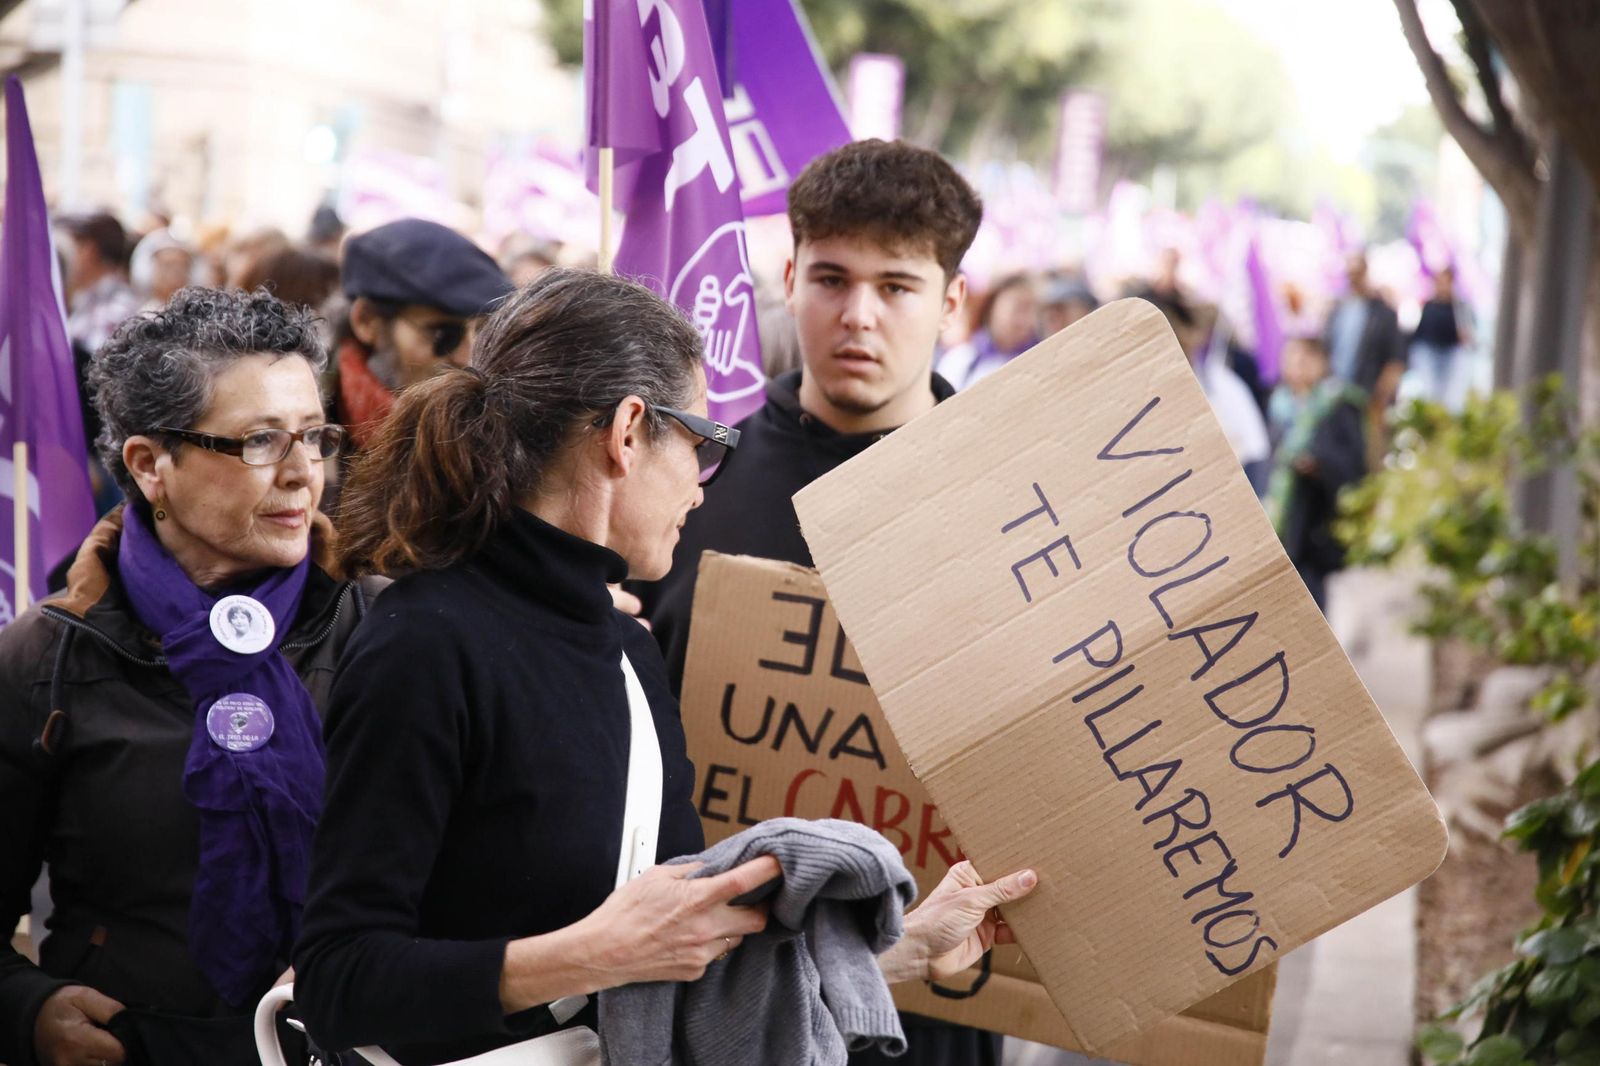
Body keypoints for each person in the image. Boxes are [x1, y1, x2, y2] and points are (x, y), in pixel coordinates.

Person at [293, 268, 1035, 1065]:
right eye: (703, 443)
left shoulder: (628, 649)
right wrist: (588, 953)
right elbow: (340, 982)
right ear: (627, 432)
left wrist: (911, 949)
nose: (701, 487)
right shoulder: (424, 645)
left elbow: (686, 970)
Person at [636, 138, 1013, 1066]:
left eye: (897, 287)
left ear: (952, 302)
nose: (859, 317)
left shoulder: (1016, 503)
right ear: (790, 275)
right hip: (718, 989)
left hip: (937, 999)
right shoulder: (683, 479)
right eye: (833, 280)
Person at [0, 287, 378, 1066]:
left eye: (315, 436)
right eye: (261, 442)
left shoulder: (388, 628)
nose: (305, 474)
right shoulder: (48, 657)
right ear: (149, 466)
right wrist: (27, 1007)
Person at [328, 218, 513, 452]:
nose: (467, 358)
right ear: (367, 321)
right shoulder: (310, 424)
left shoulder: (499, 436)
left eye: (483, 330)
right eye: (442, 333)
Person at [1265, 336, 1367, 612]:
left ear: (1321, 363)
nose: (1297, 366)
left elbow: (1354, 463)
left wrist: (1319, 465)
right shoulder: (1279, 404)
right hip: (1283, 515)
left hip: (1317, 518)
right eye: (1291, 359)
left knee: (1312, 600)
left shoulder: (1340, 404)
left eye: (1305, 359)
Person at [1323, 251, 1405, 408]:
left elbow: (1396, 356)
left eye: (1357, 273)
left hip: (1368, 391)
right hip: (1337, 390)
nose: (1353, 279)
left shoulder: (1383, 312)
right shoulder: (1337, 310)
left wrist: (1382, 393)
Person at [935, 271, 1040, 390]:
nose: (1025, 320)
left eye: (1033, 311)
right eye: (1019, 308)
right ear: (992, 307)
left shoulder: (1039, 361)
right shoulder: (962, 359)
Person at [60, 212, 141, 355]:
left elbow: (94, 363)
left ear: (89, 250)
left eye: (71, 246)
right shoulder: (83, 296)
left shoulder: (119, 303)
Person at [1410, 265, 1474, 412]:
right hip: (1430, 353)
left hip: (1451, 354)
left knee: (1451, 398)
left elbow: (1467, 335)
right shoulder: (1429, 306)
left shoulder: (1460, 307)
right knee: (1430, 394)